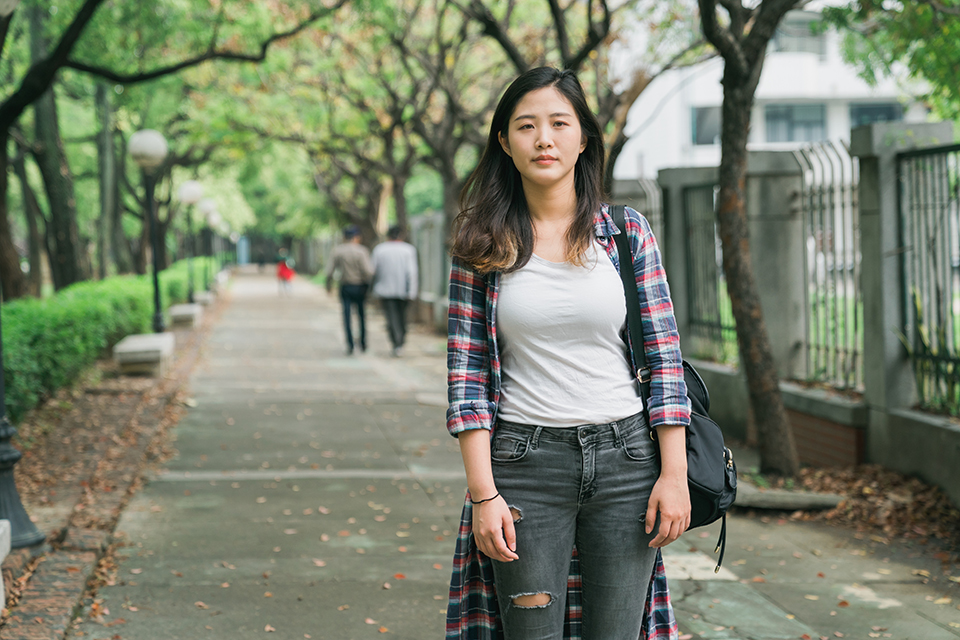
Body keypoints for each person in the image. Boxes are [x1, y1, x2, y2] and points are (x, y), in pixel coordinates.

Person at [445, 67, 691, 640]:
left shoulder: (626, 234)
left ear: (584, 138)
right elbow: (467, 377)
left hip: (628, 464)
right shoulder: (482, 245)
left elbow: (664, 360)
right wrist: (484, 494)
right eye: (526, 126)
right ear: (505, 143)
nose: (544, 139)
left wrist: (673, 474)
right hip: (524, 468)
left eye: (559, 123)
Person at [371, 225, 418, 357]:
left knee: (391, 318)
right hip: (404, 291)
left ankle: (395, 342)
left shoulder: (379, 250)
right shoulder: (408, 250)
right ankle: (400, 341)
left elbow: (372, 270)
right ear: (401, 235)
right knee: (402, 317)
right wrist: (412, 292)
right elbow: (412, 272)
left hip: (385, 290)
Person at [325, 225, 374, 355]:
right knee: (361, 315)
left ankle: (350, 344)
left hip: (345, 287)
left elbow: (329, 271)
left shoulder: (338, 251)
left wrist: (328, 286)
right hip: (360, 286)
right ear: (356, 237)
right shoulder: (362, 251)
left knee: (346, 316)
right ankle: (363, 343)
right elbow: (368, 271)